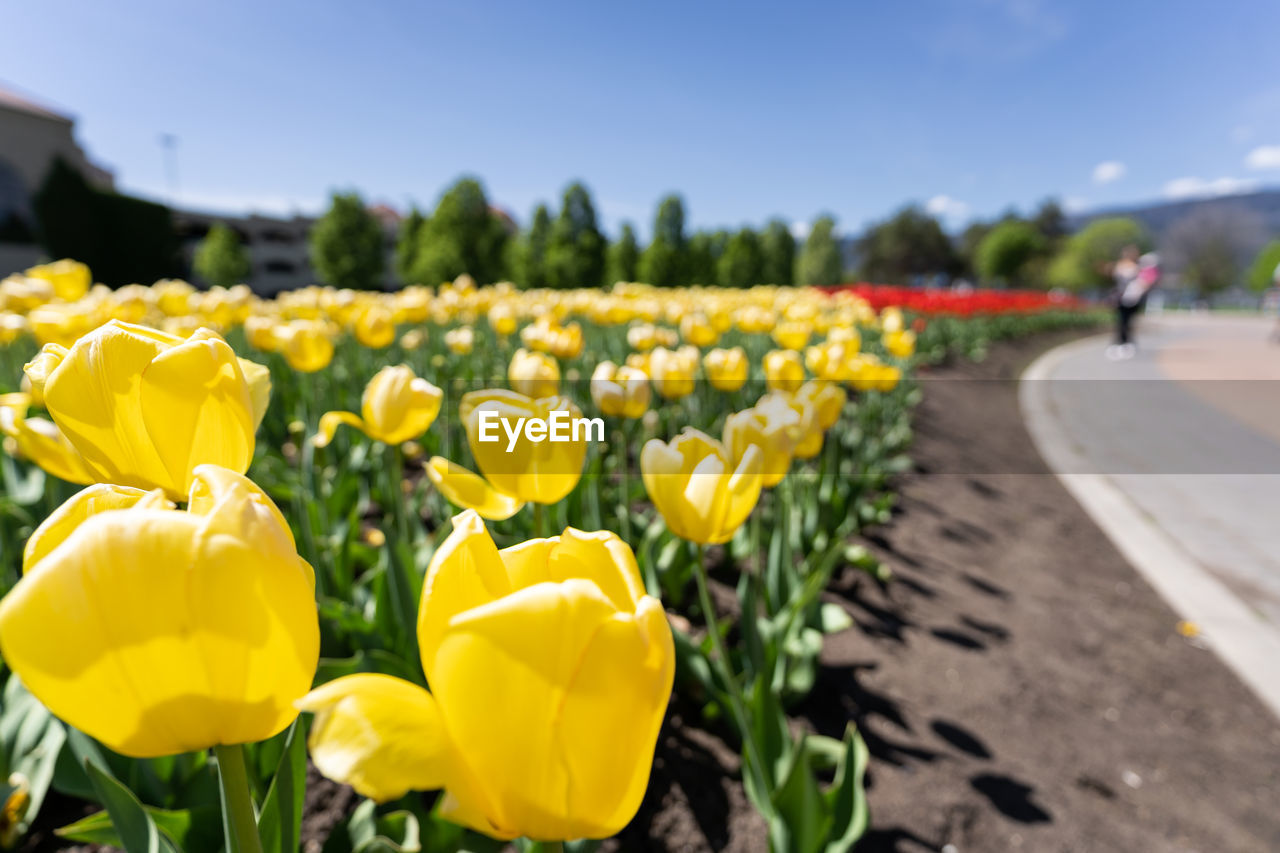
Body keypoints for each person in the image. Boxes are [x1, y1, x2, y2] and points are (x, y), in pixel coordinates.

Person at [1106, 245, 1146, 360]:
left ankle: (1127, 343)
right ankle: (1120, 342)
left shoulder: (1138, 267)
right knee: (1121, 321)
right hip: (1121, 299)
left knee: (1128, 321)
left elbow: (1143, 281)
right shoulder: (1120, 266)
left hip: (1133, 299)